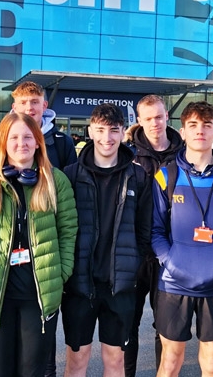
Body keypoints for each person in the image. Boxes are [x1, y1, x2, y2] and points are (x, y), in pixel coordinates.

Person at [0, 112, 77, 377]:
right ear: (2, 142)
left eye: (27, 137)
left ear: (38, 142)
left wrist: (60, 273)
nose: (21, 143)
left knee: (32, 373)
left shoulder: (56, 181)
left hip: (38, 297)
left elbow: (68, 232)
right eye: (13, 137)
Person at [151, 101, 213, 377]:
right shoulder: (166, 175)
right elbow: (156, 232)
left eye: (206, 125)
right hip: (173, 282)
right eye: (193, 125)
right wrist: (172, 262)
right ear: (182, 131)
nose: (200, 131)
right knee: (170, 362)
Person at [62, 104, 152, 377]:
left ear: (124, 132)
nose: (107, 138)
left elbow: (144, 232)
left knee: (115, 362)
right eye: (100, 130)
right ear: (90, 131)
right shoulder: (70, 175)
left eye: (114, 130)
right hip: (80, 286)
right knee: (77, 361)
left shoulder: (138, 176)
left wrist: (132, 266)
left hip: (120, 288)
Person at [124, 94, 185, 377]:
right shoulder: (126, 154)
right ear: (139, 121)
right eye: (148, 118)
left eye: (159, 117)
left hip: (170, 254)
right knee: (127, 325)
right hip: (134, 253)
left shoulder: (185, 154)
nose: (154, 123)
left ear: (167, 117)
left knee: (166, 328)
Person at [0, 81, 77, 177]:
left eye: (34, 102)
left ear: (44, 105)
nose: (29, 108)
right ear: (14, 107)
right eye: (23, 103)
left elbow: (71, 185)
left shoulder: (63, 143)